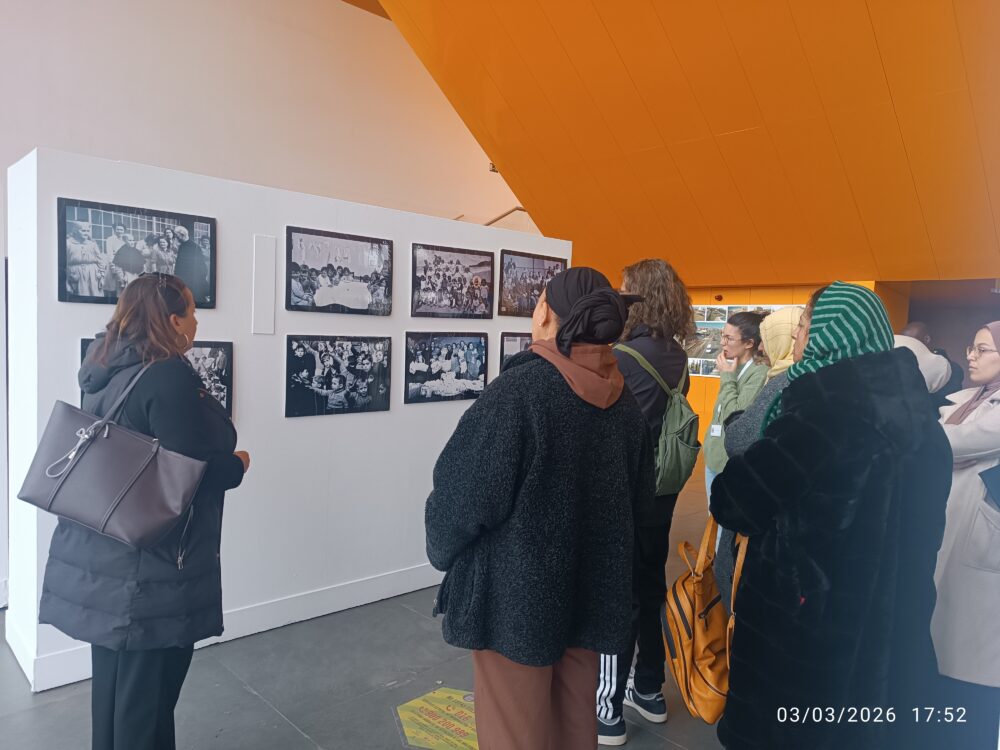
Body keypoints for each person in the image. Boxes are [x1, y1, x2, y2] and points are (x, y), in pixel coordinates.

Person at [710, 282, 951, 750]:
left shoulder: (820, 416)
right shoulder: (924, 422)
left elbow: (733, 501)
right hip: (893, 636)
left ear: (830, 334)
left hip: (806, 643)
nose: (797, 336)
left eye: (805, 324)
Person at [426, 267, 654, 750]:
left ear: (546, 312)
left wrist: (441, 550)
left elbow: (462, 497)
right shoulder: (625, 402)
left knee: (515, 731)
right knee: (573, 725)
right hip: (590, 597)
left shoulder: (519, 393)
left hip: (515, 604)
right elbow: (639, 507)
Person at [38, 274, 250, 750]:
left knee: (117, 698)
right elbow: (185, 477)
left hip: (107, 556)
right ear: (173, 321)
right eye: (192, 312)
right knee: (146, 706)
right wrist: (236, 465)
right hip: (152, 568)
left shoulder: (103, 365)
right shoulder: (167, 375)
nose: (196, 322)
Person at [595, 258, 694, 745]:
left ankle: (607, 710)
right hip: (663, 492)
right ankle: (649, 691)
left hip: (626, 495)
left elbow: (612, 433)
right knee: (651, 588)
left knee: (619, 598)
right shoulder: (675, 355)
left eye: (625, 289)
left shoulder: (624, 357)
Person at [931, 321, 1000, 749]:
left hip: (982, 546)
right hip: (955, 537)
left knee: (972, 680)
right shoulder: (970, 400)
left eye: (983, 349)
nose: (971, 356)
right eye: (971, 347)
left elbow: (950, 444)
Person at [716, 304, 802, 614]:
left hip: (759, 515)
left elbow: (738, 434)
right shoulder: (784, 379)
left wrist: (728, 380)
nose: (764, 347)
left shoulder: (777, 381)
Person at [702, 312, 768, 497]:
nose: (722, 343)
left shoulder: (759, 372)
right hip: (715, 457)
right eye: (722, 336)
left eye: (729, 338)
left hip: (730, 462)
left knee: (724, 514)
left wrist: (727, 376)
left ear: (749, 343)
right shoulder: (733, 366)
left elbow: (734, 416)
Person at [902, 321, 966, 408]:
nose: (906, 346)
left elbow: (945, 402)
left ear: (927, 339)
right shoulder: (902, 364)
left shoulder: (953, 370)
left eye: (911, 342)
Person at [65, 221, 105, 297]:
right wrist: (66, 283)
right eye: (83, 231)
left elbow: (100, 261)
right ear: (75, 230)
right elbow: (62, 265)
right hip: (76, 275)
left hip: (93, 275)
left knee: (95, 296)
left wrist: (102, 277)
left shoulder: (92, 244)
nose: (86, 233)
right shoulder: (68, 244)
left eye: (87, 231)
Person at [173, 226, 209, 304]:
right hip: (183, 279)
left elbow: (201, 265)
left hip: (193, 280)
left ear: (182, 234)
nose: (175, 237)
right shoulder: (182, 246)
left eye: (176, 235)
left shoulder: (194, 247)